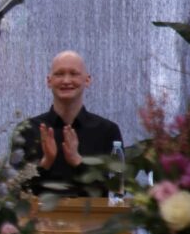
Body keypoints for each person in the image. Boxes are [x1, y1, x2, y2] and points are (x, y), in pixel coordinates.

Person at [21, 50, 122, 195]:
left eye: (74, 74)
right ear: (49, 81)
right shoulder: (28, 130)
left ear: (87, 80)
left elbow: (117, 189)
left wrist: (78, 161)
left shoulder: (107, 131)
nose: (66, 81)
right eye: (59, 74)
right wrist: (45, 162)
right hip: (40, 210)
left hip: (91, 211)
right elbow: (15, 187)